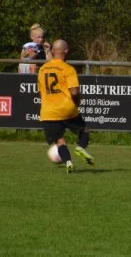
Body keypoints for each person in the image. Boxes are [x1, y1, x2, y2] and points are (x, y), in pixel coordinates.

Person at [37, 40, 94, 173]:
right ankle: (81, 147)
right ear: (66, 51)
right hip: (66, 108)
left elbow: (41, 91)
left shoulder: (43, 69)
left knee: (59, 140)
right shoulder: (68, 68)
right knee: (84, 129)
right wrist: (78, 101)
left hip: (48, 111)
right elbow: (74, 91)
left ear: (52, 51)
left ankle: (68, 162)